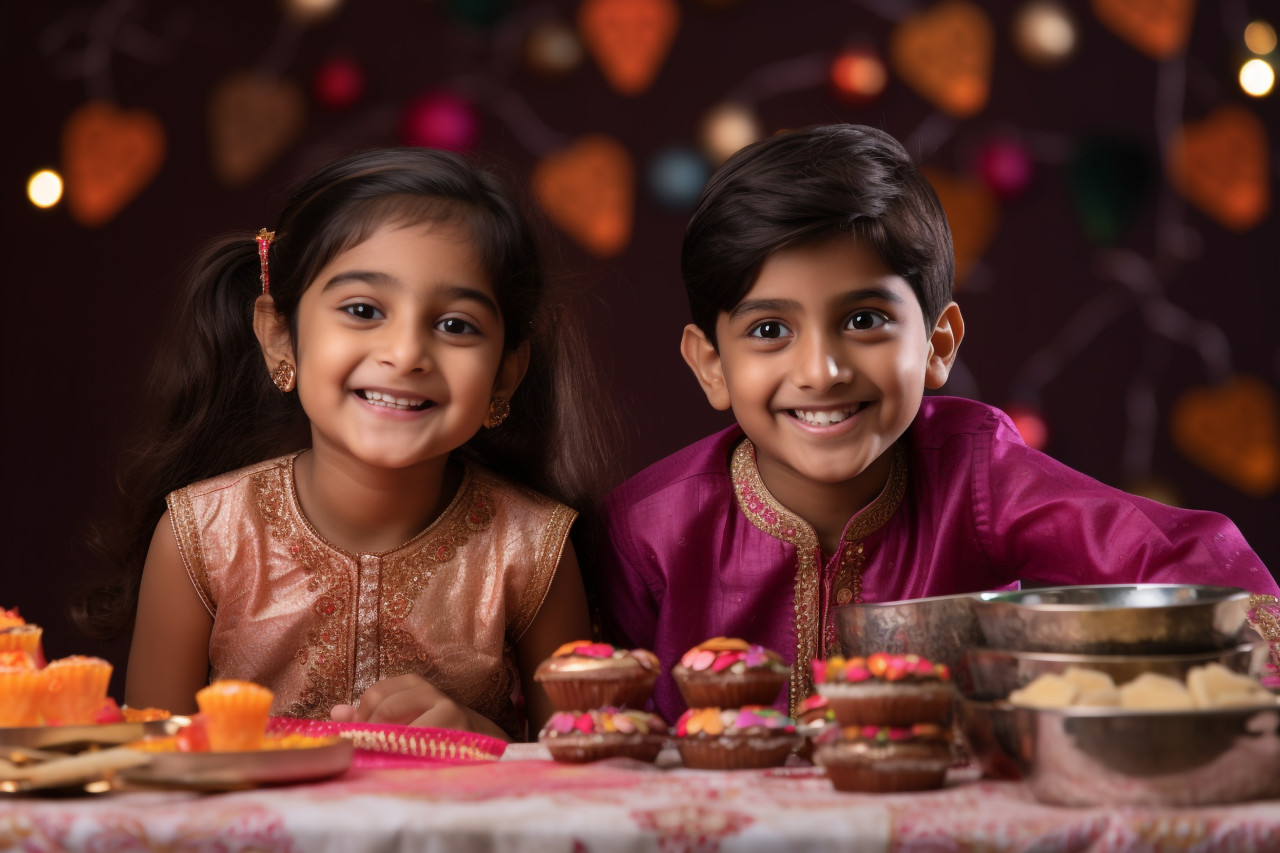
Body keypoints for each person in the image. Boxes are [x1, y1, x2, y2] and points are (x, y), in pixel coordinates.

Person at [598, 124, 1279, 724]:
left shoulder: (975, 473)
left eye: (864, 320)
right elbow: (587, 719)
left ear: (938, 344)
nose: (823, 369)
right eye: (770, 329)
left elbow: (1190, 561)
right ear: (711, 365)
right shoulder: (648, 530)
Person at [77, 147, 620, 741]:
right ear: (279, 336)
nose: (407, 353)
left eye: (455, 325)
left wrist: (477, 737)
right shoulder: (200, 537)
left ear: (506, 374)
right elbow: (150, 777)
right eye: (363, 310)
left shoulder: (534, 551)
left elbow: (575, 779)